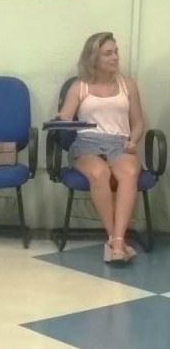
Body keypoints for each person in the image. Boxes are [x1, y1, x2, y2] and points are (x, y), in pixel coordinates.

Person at [56, 32, 144, 263]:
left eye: (116, 52)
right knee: (99, 172)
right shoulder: (79, 87)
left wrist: (133, 140)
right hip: (87, 143)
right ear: (93, 57)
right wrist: (60, 118)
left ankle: (117, 240)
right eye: (108, 53)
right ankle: (115, 239)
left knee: (130, 171)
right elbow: (64, 117)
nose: (115, 57)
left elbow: (138, 123)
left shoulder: (128, 86)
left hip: (119, 142)